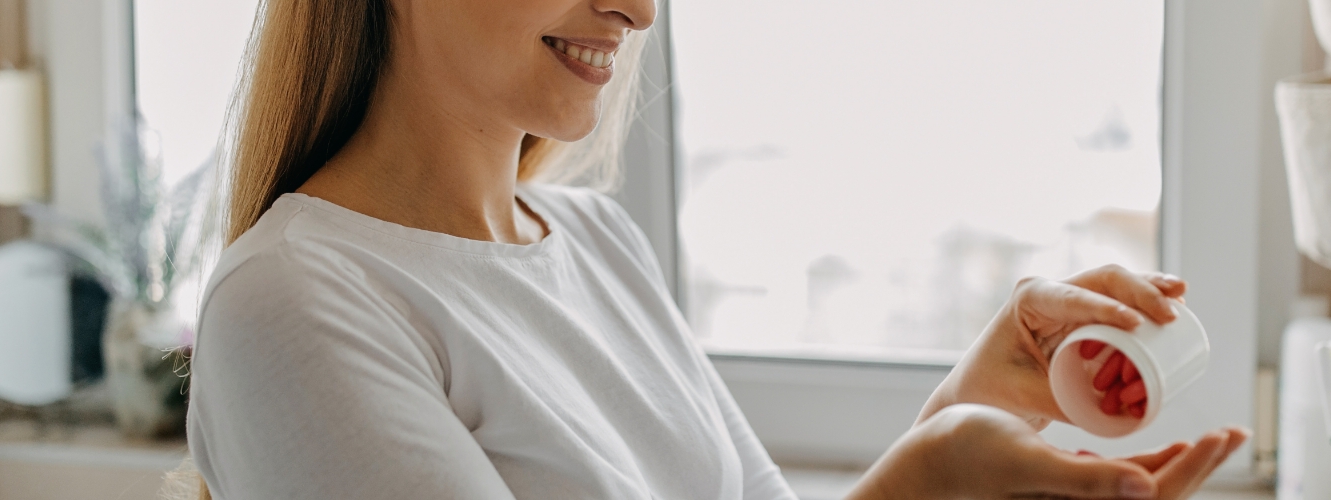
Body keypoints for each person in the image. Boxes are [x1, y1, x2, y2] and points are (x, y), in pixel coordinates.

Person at [183, 0, 1250, 498]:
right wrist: (920, 491)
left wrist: (986, 397)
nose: (636, 8)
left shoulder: (593, 240)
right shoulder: (297, 302)